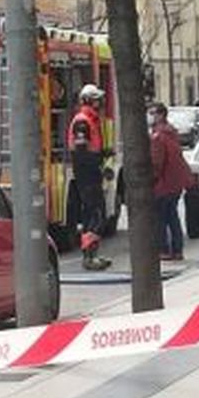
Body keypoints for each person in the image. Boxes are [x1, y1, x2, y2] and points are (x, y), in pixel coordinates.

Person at [67, 84, 112, 271]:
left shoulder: (90, 120)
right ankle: (89, 257)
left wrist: (104, 154)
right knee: (95, 215)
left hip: (91, 174)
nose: (99, 103)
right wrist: (99, 162)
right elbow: (81, 153)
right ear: (87, 101)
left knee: (94, 214)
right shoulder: (82, 122)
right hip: (88, 176)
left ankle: (92, 254)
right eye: (96, 100)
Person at [149, 102, 195, 262]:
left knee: (161, 219)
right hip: (175, 182)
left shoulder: (158, 137)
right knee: (172, 216)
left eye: (153, 113)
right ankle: (177, 249)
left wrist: (152, 179)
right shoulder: (171, 133)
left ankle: (164, 250)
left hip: (163, 183)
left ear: (161, 115)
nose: (151, 116)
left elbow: (157, 162)